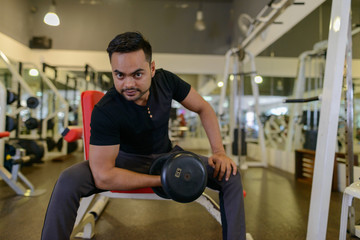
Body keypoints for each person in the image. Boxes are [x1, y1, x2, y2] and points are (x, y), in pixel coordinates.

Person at [41, 32, 246, 240]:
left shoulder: (166, 81)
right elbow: (104, 175)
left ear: (152, 68)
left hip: (166, 157)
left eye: (137, 74)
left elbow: (203, 108)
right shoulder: (106, 110)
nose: (128, 84)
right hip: (122, 162)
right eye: (119, 75)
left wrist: (219, 152)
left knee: (230, 174)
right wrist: (162, 180)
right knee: (69, 179)